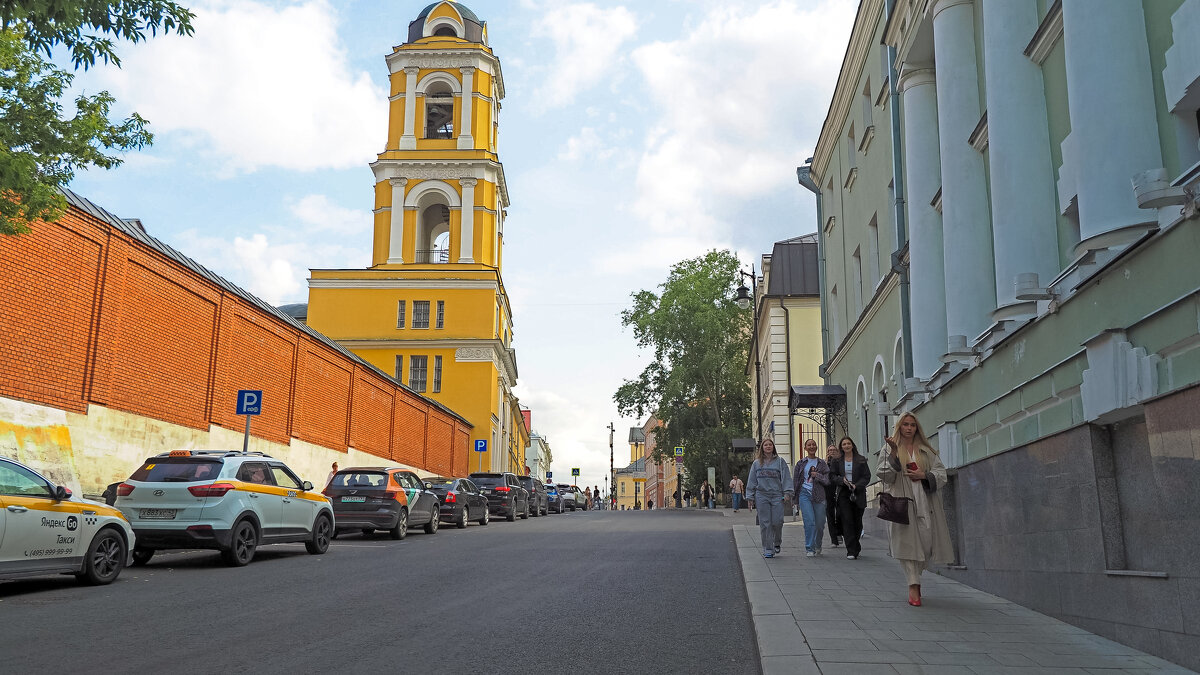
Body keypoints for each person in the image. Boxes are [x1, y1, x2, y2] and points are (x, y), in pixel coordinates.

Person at [879, 412, 953, 607]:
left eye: (912, 425)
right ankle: (913, 583)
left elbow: (941, 474)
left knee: (926, 542)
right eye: (905, 424)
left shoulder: (926, 451)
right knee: (907, 543)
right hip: (902, 502)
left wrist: (924, 475)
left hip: (925, 500)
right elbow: (884, 475)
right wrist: (894, 454)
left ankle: (917, 573)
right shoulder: (889, 449)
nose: (909, 428)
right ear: (899, 427)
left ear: (916, 428)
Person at [746, 438, 794, 558]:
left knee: (778, 521)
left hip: (777, 495)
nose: (768, 446)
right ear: (762, 448)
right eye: (765, 445)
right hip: (762, 495)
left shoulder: (780, 462)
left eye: (770, 445)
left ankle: (777, 542)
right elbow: (751, 480)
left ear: (773, 447)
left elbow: (786, 477)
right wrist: (750, 497)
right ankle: (768, 548)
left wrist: (787, 492)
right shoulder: (756, 463)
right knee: (765, 523)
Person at [829, 436, 871, 560]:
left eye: (848, 443)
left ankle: (855, 545)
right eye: (844, 444)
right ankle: (851, 550)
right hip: (844, 493)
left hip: (858, 493)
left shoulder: (861, 459)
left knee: (857, 522)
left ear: (852, 445)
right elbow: (832, 476)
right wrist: (841, 480)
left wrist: (856, 485)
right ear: (841, 447)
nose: (846, 446)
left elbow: (866, 476)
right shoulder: (837, 461)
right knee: (847, 521)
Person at [792, 438, 829, 557]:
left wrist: (817, 475)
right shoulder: (801, 463)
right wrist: (795, 498)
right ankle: (809, 548)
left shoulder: (822, 463)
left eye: (814, 444)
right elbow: (796, 481)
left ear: (816, 447)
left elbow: (827, 481)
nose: (812, 447)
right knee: (809, 522)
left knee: (820, 523)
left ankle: (818, 544)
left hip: (819, 495)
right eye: (809, 445)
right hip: (804, 494)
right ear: (805, 448)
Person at [823, 445, 842, 547]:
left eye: (834, 450)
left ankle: (839, 532)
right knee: (830, 514)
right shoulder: (824, 463)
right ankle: (834, 539)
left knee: (839, 513)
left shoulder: (841, 461)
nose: (832, 452)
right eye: (829, 450)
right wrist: (826, 462)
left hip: (839, 489)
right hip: (828, 491)